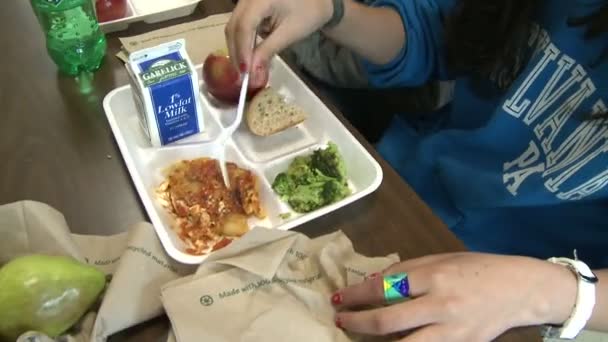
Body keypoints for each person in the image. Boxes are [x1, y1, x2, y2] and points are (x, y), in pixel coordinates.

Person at [226, 0, 608, 340]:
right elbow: (437, 34)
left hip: (511, 286)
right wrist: (332, 10)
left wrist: (552, 291)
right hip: (399, 190)